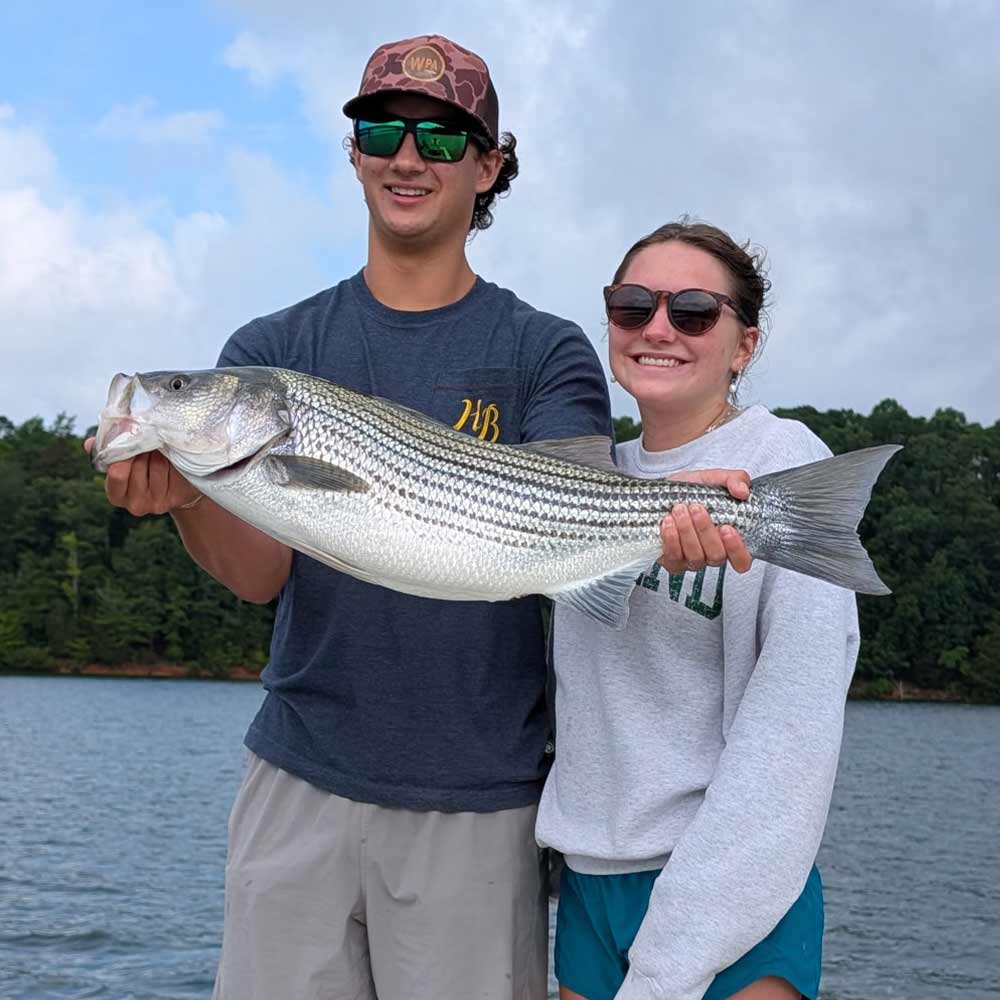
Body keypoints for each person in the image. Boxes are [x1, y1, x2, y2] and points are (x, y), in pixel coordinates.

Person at [86, 38, 751, 1000]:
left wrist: (673, 521)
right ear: (353, 152)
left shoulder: (544, 348)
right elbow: (261, 577)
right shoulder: (272, 348)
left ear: (488, 167)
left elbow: (578, 515)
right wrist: (188, 495)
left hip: (478, 804)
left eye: (441, 137)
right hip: (296, 781)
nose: (408, 156)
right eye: (381, 131)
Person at [536, 220, 860, 1000]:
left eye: (692, 312)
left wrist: (672, 961)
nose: (657, 328)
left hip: (733, 887)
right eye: (632, 305)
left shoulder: (781, 466)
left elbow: (791, 740)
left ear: (744, 345)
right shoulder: (578, 480)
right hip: (590, 878)